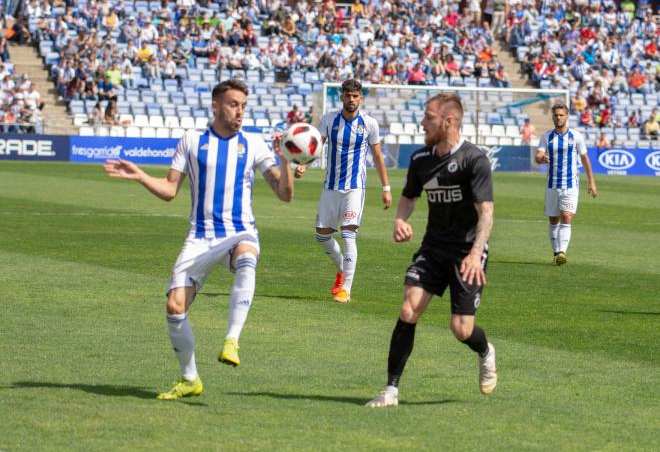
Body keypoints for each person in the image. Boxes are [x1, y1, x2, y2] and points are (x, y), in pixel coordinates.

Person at [103, 79, 294, 400]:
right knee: (175, 307)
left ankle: (232, 340)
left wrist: (286, 160)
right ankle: (190, 379)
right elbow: (169, 190)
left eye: (243, 106)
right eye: (233, 104)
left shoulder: (255, 144)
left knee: (247, 257)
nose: (239, 112)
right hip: (201, 235)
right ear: (216, 106)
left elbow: (284, 194)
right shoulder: (191, 141)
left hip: (239, 230)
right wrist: (139, 176)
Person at [366, 92, 496, 408]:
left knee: (461, 329)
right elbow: (410, 197)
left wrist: (476, 252)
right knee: (409, 308)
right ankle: (391, 391)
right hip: (433, 248)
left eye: (428, 117)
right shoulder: (421, 159)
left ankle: (485, 350)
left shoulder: (473, 160)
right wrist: (400, 219)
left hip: (468, 252)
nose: (422, 122)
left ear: (448, 121)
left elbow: (486, 211)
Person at [295, 79, 391, 303]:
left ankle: (346, 289)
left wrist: (386, 188)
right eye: (348, 96)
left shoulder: (369, 124)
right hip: (330, 186)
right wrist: (304, 165)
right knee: (322, 236)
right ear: (341, 97)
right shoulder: (329, 120)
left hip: (354, 188)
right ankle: (342, 269)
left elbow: (377, 157)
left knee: (349, 235)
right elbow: (316, 147)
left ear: (361, 98)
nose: (351, 100)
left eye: (356, 96)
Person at [534, 103, 597, 266]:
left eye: (561, 115)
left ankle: (562, 252)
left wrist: (591, 182)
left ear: (567, 116)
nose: (558, 118)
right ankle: (556, 252)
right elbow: (538, 155)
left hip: (570, 184)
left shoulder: (576, 136)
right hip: (552, 184)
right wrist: (541, 158)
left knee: (566, 216)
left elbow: (585, 159)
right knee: (553, 219)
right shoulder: (546, 136)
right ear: (553, 117)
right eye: (556, 115)